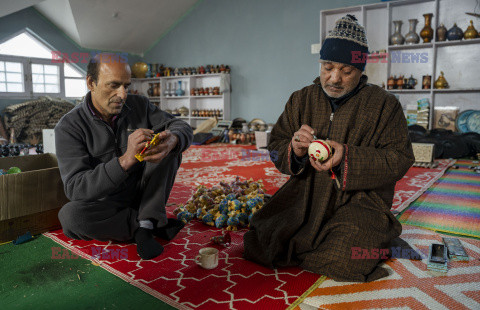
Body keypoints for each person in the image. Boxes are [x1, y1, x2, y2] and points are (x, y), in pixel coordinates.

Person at [243, 15, 415, 282]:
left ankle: (373, 239)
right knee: (260, 241)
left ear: (360, 70)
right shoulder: (301, 98)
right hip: (305, 197)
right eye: (327, 66)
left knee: (343, 260)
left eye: (346, 71)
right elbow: (276, 146)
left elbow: (400, 158)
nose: (334, 78)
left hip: (360, 202)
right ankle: (321, 242)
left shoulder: (384, 104)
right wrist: (294, 149)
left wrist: (347, 156)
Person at [55, 53, 193, 260]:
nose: (123, 94)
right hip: (108, 204)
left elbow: (180, 126)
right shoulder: (69, 127)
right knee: (70, 217)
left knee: (169, 149)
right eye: (114, 85)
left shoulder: (140, 105)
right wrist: (126, 160)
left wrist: (174, 139)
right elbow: (76, 188)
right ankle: (145, 225)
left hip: (145, 194)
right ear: (91, 83)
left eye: (126, 86)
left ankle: (146, 221)